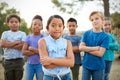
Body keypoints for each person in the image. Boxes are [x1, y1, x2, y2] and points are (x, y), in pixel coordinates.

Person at [38, 15, 74, 80]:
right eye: (53, 26)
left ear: (63, 28)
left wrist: (51, 60)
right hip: (49, 77)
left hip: (66, 76)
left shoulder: (68, 42)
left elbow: (71, 63)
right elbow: (46, 65)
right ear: (47, 28)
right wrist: (65, 61)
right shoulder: (42, 41)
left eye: (60, 26)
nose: (57, 28)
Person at [79, 11, 109, 80]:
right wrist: (95, 48)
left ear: (102, 20)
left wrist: (86, 49)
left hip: (98, 67)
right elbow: (80, 47)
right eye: (92, 20)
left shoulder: (105, 36)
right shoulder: (86, 33)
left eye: (96, 18)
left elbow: (100, 53)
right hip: (86, 65)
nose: (94, 21)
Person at [0, 14, 26, 80]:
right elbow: (2, 44)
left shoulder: (22, 34)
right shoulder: (5, 33)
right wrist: (16, 42)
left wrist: (8, 44)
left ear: (19, 23)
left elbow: (23, 46)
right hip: (8, 61)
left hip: (19, 60)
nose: (14, 23)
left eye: (16, 22)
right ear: (8, 23)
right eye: (11, 22)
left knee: (18, 78)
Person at [22, 15, 44, 80]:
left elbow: (44, 52)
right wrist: (37, 51)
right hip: (29, 65)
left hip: (40, 64)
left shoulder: (43, 38)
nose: (37, 26)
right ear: (31, 26)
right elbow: (23, 52)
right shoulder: (28, 38)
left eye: (39, 25)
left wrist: (32, 49)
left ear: (42, 27)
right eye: (34, 24)